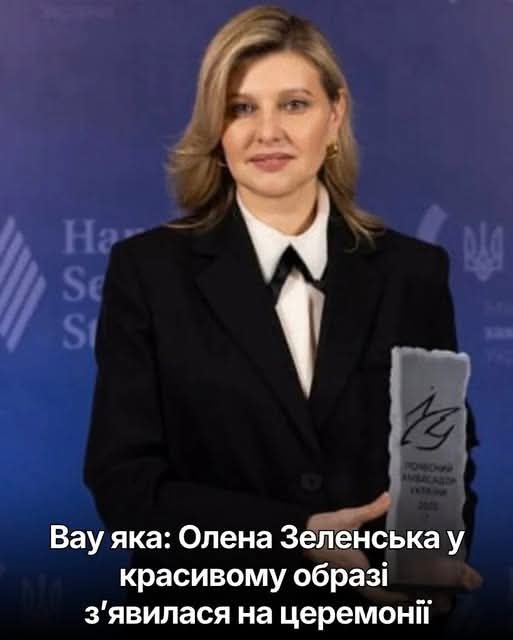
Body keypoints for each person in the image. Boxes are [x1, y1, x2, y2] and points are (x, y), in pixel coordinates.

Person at [83, 4, 481, 635]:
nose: (267, 132)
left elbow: (440, 457)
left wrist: (425, 581)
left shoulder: (413, 273)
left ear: (335, 115)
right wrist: (295, 539)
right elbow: (126, 483)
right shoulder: (148, 272)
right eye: (241, 108)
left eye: (294, 104)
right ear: (216, 128)